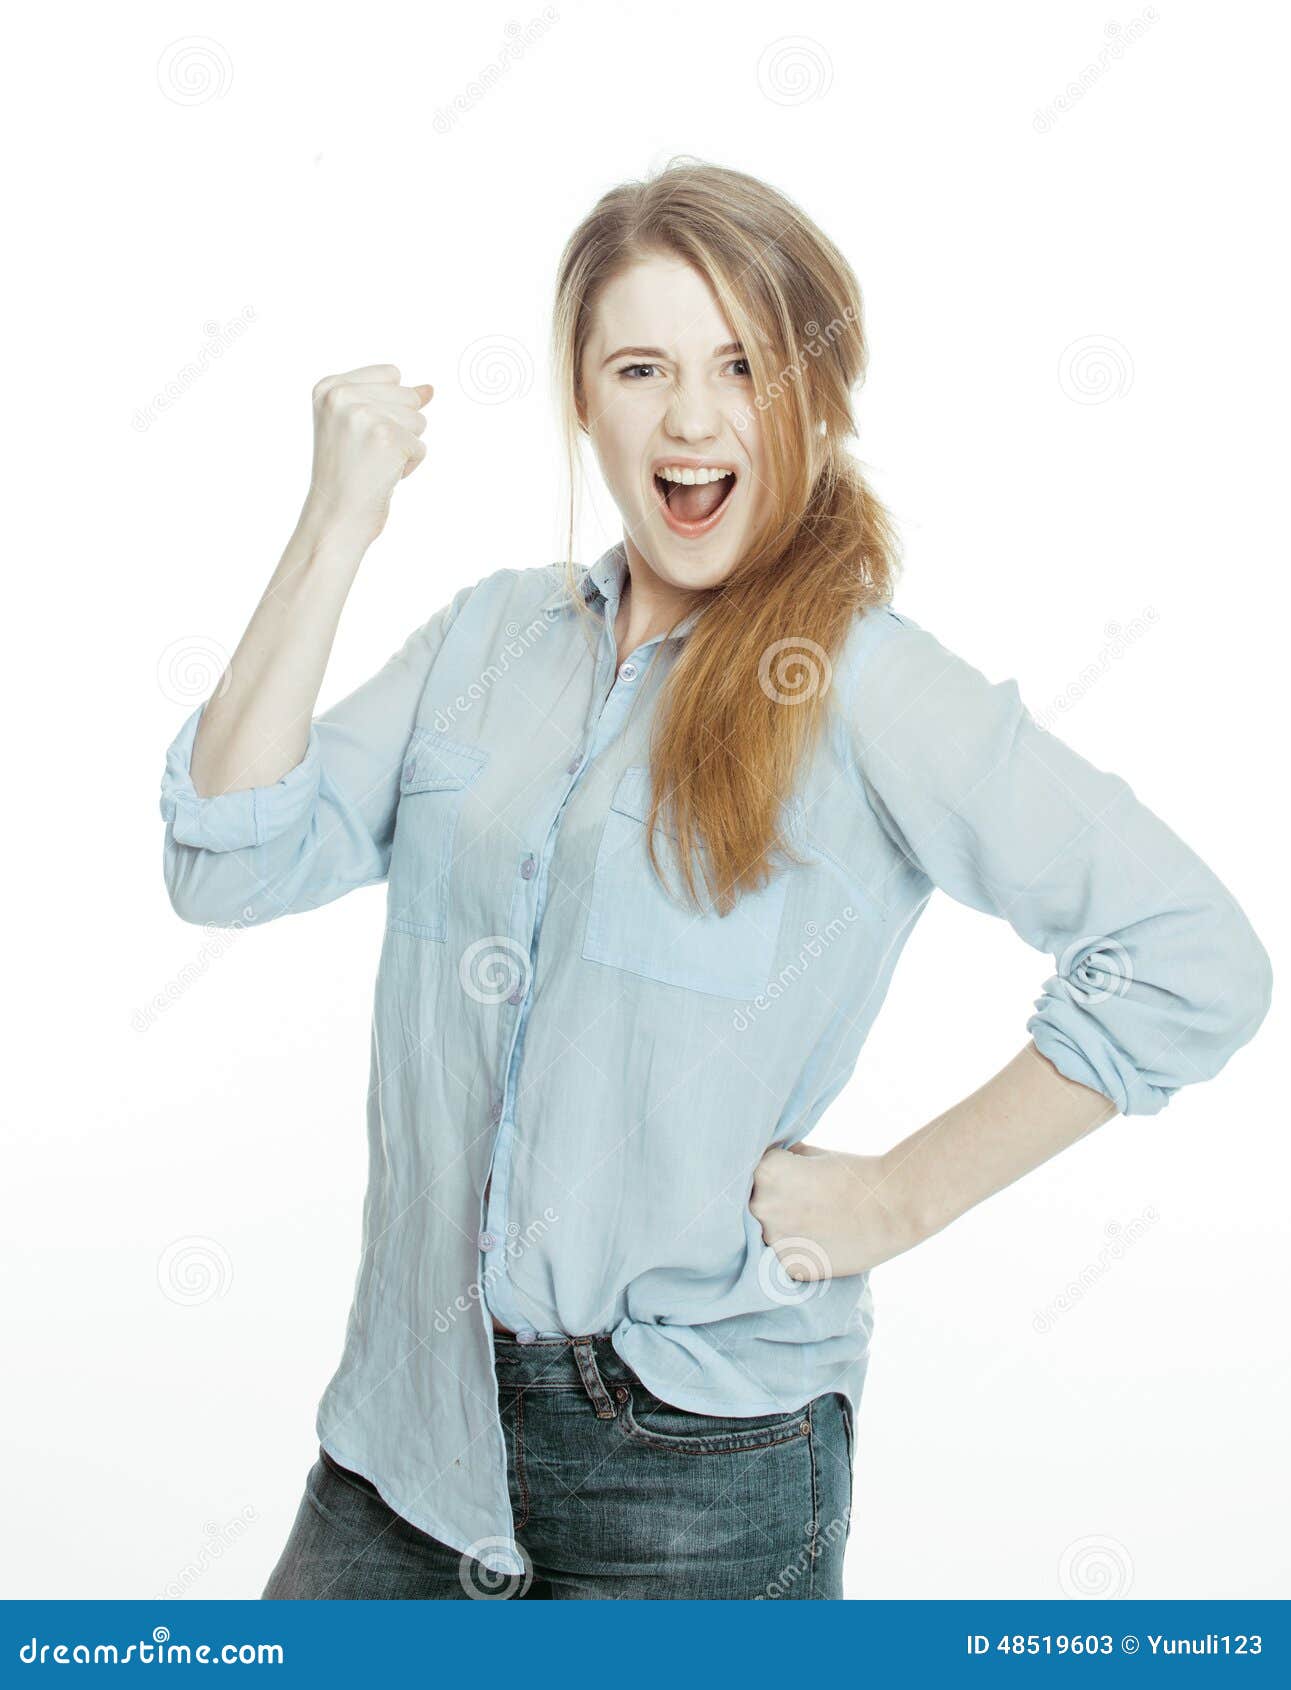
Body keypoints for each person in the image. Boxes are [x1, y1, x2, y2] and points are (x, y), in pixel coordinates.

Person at [158, 160, 1273, 1600]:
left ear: (812, 394)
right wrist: (335, 527)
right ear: (582, 396)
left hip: (689, 1469)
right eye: (642, 366)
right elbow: (223, 861)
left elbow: (1193, 954)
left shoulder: (871, 688)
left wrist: (894, 1200)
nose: (691, 416)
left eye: (742, 364)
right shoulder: (488, 640)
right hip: (402, 1441)